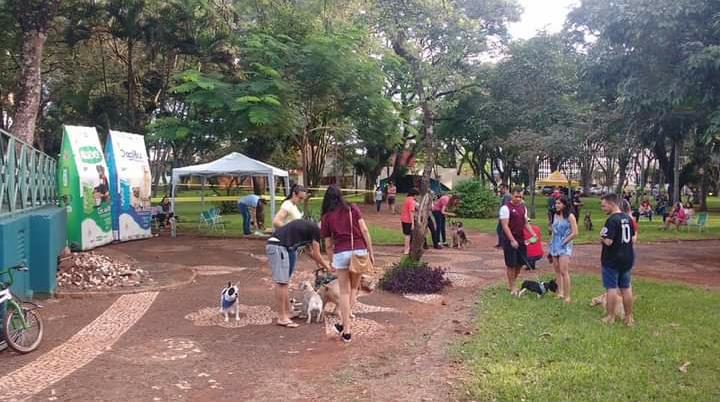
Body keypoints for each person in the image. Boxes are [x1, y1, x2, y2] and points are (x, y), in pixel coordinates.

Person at [320, 185, 375, 343]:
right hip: (358, 251)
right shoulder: (352, 208)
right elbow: (365, 230)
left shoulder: (326, 217)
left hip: (341, 253)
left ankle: (347, 329)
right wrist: (371, 252)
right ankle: (344, 325)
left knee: (344, 292)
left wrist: (332, 261)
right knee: (353, 289)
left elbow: (328, 244)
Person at [266, 219, 331, 328]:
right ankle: (282, 317)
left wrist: (321, 266)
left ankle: (288, 312)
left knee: (285, 282)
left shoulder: (310, 228)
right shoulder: (316, 230)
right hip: (278, 246)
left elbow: (310, 252)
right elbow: (317, 254)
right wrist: (328, 267)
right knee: (281, 282)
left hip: (285, 247)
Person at [599, 193, 636, 326]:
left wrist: (601, 237)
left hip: (612, 259)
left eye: (604, 206)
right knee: (626, 287)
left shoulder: (612, 220)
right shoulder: (628, 218)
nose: (603, 209)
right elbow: (633, 239)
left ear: (611, 204)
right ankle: (628, 317)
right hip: (627, 257)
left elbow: (608, 241)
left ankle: (610, 316)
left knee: (611, 287)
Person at [500, 187, 535, 294]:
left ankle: (512, 282)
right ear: (511, 195)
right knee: (511, 264)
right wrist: (512, 240)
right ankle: (512, 287)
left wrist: (533, 234)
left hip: (521, 238)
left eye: (520, 197)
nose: (518, 199)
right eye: (516, 196)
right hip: (509, 239)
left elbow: (526, 223)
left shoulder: (523, 207)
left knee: (520, 263)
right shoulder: (505, 208)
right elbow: (505, 226)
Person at [549, 197, 578, 303]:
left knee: (563, 270)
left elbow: (575, 232)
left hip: (564, 245)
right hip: (554, 244)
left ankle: (567, 296)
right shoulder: (555, 215)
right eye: (556, 203)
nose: (556, 205)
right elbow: (553, 230)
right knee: (556, 269)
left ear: (565, 205)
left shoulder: (570, 216)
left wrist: (564, 242)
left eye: (559, 203)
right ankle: (560, 292)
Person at [401, 188, 419, 255]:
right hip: (408, 220)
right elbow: (411, 212)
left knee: (406, 235)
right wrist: (412, 223)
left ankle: (407, 248)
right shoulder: (412, 201)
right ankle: (407, 249)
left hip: (403, 219)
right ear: (414, 195)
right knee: (408, 236)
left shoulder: (406, 199)